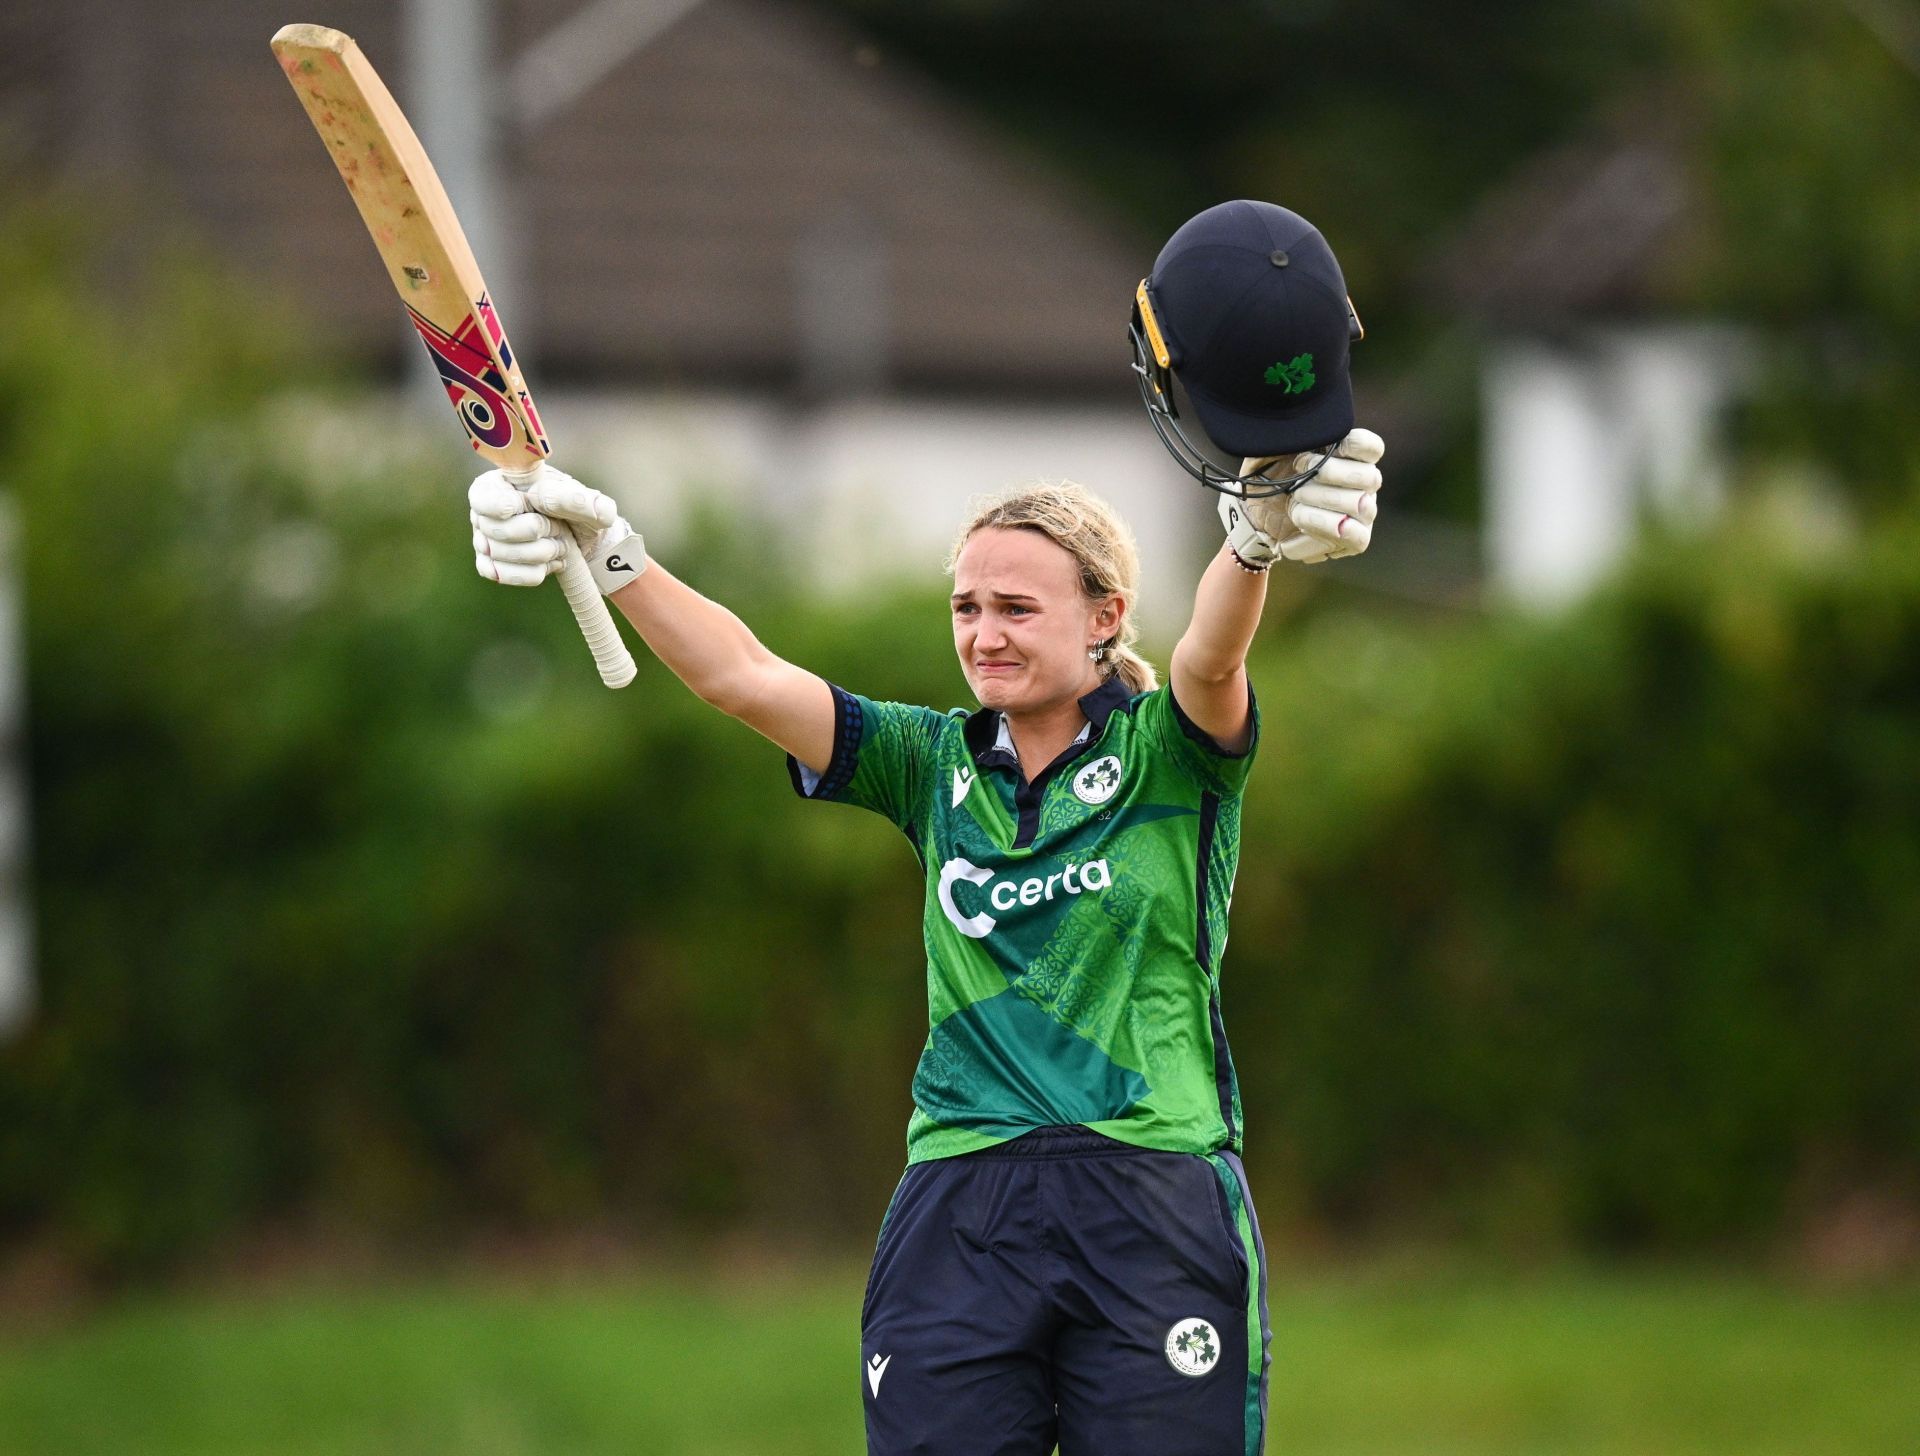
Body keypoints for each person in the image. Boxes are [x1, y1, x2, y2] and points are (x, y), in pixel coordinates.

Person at [466, 200, 1383, 1456]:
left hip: (1152, 1189)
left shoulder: (1173, 749)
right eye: (965, 606)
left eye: (1017, 605)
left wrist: (1254, 535)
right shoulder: (927, 760)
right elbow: (744, 677)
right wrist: (615, 549)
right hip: (963, 1200)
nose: (985, 633)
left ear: (1106, 615)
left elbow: (1215, 657)